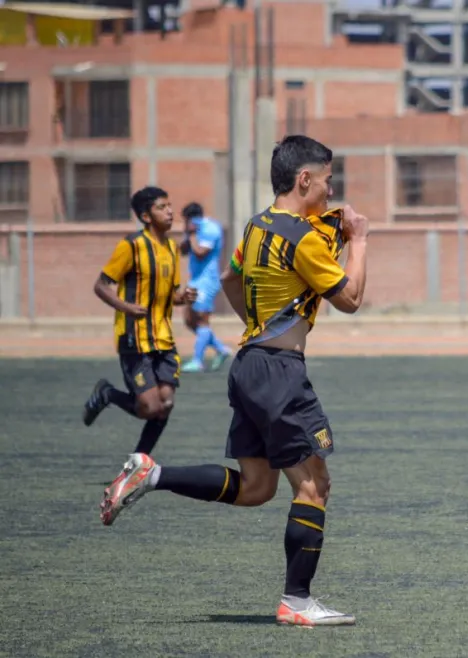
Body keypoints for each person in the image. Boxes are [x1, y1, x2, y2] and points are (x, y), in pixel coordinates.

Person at [98, 136, 370, 628]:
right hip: (278, 373)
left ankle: (150, 473)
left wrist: (259, 330)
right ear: (304, 179)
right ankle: (297, 601)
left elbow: (228, 280)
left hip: (249, 364)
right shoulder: (303, 238)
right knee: (314, 485)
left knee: (256, 488)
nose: (332, 190)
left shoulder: (257, 225)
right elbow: (350, 298)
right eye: (328, 180)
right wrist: (362, 239)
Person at [82, 187, 197, 455]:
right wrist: (126, 307)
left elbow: (169, 295)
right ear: (146, 216)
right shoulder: (131, 245)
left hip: (164, 338)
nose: (169, 211)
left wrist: (184, 297)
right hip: (134, 338)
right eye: (161, 207)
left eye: (170, 205)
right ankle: (108, 394)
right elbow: (101, 286)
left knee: (166, 403)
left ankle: (139, 462)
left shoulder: (171, 247)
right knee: (150, 407)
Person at [179, 202, 232, 372]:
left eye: (186, 220)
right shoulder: (194, 230)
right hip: (195, 280)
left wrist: (193, 234)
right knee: (189, 319)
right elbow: (184, 251)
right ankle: (221, 349)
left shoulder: (210, 229)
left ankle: (198, 360)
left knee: (202, 319)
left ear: (193, 219)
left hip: (207, 280)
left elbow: (201, 253)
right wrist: (187, 236)